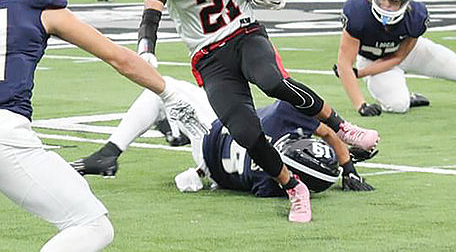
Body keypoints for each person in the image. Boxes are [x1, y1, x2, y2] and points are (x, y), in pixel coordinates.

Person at [129, 0, 379, 223]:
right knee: (246, 133)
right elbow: (151, 11)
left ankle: (341, 126)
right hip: (208, 53)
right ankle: (294, 188)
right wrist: (146, 48)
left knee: (273, 81)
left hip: (244, 31)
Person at [0, 0, 189, 251]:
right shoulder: (39, 3)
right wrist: (168, 92)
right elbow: (118, 58)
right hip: (5, 134)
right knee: (91, 225)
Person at [71, 78, 376, 197]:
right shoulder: (271, 186)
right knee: (176, 99)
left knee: (159, 88)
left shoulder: (278, 121)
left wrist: (347, 167)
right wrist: (345, 169)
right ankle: (171, 125)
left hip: (211, 131)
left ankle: (111, 152)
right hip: (212, 167)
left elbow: (324, 128)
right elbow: (320, 138)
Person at [334, 0, 456, 116]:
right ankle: (407, 97)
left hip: (408, 53)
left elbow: (398, 57)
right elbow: (344, 63)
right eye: (382, 0)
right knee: (398, 105)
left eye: (392, 3)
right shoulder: (358, 14)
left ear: (405, 2)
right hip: (372, 59)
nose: (386, 6)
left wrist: (360, 73)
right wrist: (361, 105)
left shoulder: (416, 17)